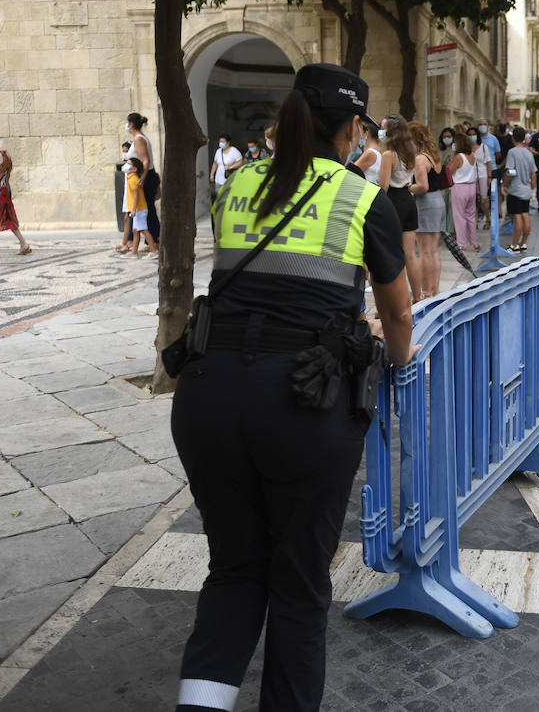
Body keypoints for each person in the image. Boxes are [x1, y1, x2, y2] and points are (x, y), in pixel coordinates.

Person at [171, 62, 413, 712]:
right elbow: (396, 313)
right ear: (353, 129)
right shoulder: (364, 198)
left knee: (234, 570)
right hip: (305, 403)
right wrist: (401, 364)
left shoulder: (238, 182)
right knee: (301, 587)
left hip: (208, 395)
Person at [378, 114, 424, 302]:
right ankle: (417, 298)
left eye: (383, 128)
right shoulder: (411, 152)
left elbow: (383, 187)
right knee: (410, 254)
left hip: (393, 202)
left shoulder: (388, 155)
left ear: (391, 132)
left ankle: (397, 299)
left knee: (391, 254)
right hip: (408, 200)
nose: (380, 131)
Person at [408, 122, 444, 299]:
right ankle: (435, 290)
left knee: (424, 252)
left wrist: (407, 187)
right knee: (433, 250)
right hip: (438, 201)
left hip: (426, 203)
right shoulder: (434, 156)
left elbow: (422, 186)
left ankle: (427, 292)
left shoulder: (420, 158)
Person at [125, 113, 160, 244]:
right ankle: (139, 241)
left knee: (147, 209)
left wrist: (143, 178)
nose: (127, 126)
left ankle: (153, 241)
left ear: (131, 124)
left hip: (146, 176)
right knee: (146, 209)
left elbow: (146, 160)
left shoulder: (139, 139)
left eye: (128, 123)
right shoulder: (138, 139)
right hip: (144, 176)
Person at [503, 126, 536, 252]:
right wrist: (532, 189)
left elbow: (510, 172)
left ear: (513, 138)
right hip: (526, 189)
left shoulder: (512, 152)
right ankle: (523, 243)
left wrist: (504, 185)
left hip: (515, 190)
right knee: (526, 215)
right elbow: (533, 174)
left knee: (517, 218)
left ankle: (514, 245)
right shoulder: (529, 153)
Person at [448, 131, 480, 250]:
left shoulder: (458, 157)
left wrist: (451, 158)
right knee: (471, 216)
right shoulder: (473, 155)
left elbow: (450, 172)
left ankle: (461, 243)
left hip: (459, 187)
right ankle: (474, 242)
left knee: (459, 216)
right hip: (471, 187)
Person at [123, 158, 159, 259]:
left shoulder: (133, 179)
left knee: (143, 230)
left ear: (134, 169)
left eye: (128, 164)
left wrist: (133, 209)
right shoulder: (130, 178)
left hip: (139, 209)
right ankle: (134, 252)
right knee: (135, 231)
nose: (126, 165)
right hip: (137, 209)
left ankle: (154, 250)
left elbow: (136, 196)